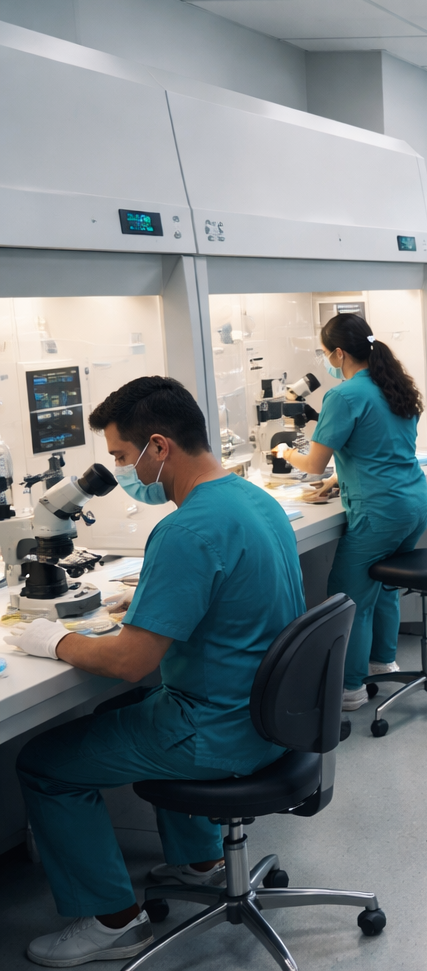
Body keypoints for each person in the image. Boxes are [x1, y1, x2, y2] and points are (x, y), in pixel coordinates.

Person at [6, 377, 305, 967]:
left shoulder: (185, 529)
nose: (121, 469)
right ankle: (201, 860)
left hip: (217, 732)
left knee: (42, 763)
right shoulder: (253, 500)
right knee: (118, 712)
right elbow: (234, 595)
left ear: (159, 447)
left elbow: (129, 662)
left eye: (121, 456)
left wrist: (53, 639)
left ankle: (113, 922)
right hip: (273, 718)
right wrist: (148, 602)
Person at [281, 313, 427, 712]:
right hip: (413, 503)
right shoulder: (393, 384)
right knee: (383, 585)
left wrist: (284, 452)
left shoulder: (344, 396)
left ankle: (349, 688)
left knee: (349, 597)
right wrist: (339, 479)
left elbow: (313, 464)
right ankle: (382, 663)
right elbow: (380, 447)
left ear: (338, 353)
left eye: (324, 353)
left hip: (379, 511)